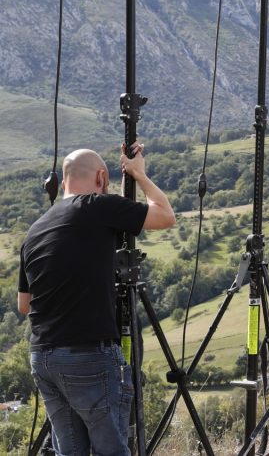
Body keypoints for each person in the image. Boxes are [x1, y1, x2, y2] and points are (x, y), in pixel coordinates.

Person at [18, 143, 175, 456]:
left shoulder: (35, 230)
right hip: (87, 353)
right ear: (101, 177)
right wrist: (139, 175)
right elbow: (165, 216)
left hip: (43, 357)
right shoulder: (96, 207)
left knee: (70, 451)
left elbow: (24, 305)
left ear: (63, 181)